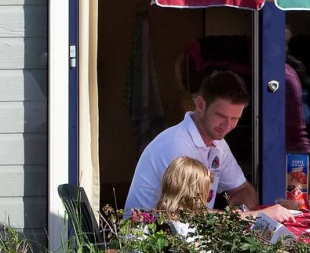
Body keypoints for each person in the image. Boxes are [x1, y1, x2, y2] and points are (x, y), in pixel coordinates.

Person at [126, 70, 297, 222]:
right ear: (200, 105)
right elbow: (188, 217)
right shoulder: (177, 145)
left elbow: (244, 190)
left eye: (235, 119)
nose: (227, 126)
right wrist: (256, 216)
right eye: (220, 115)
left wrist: (239, 215)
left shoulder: (218, 142)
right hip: (151, 250)